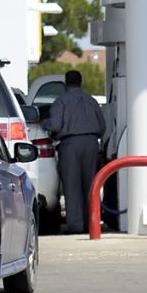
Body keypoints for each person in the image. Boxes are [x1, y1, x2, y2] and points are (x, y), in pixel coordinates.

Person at [45, 69, 107, 234]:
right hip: (92, 143)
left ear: (66, 82)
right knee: (90, 186)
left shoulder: (61, 101)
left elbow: (56, 125)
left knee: (72, 186)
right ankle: (91, 224)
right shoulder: (91, 101)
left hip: (70, 144)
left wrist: (44, 124)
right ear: (81, 82)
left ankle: (76, 226)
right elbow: (102, 126)